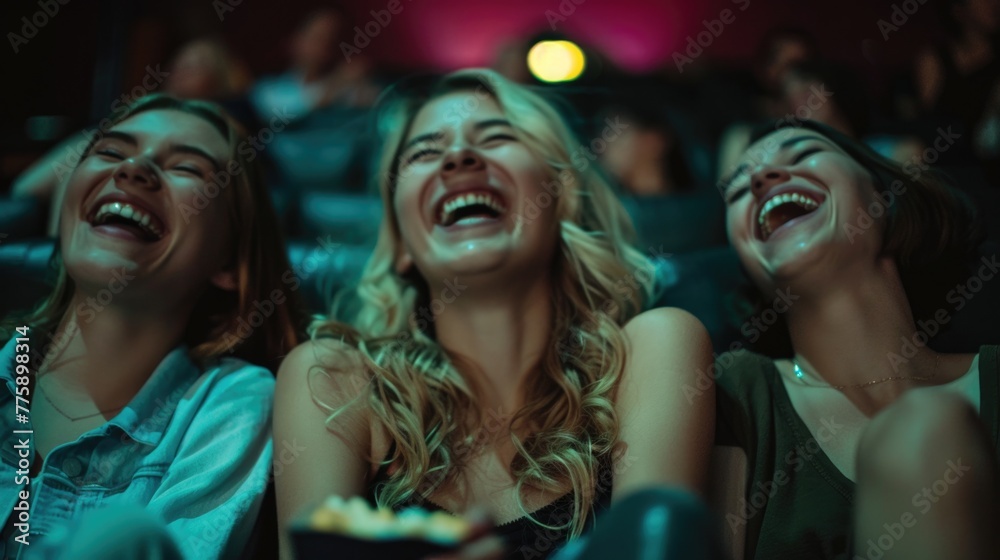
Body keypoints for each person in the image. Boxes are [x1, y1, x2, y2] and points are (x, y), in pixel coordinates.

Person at [273, 69, 716, 560]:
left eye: (497, 137)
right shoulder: (332, 380)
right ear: (401, 242)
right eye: (424, 152)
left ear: (560, 198)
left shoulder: (651, 351)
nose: (459, 157)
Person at [0, 94, 302, 559]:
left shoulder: (230, 404)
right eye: (111, 153)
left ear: (230, 261)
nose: (133, 169)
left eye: (186, 168)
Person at [714, 119, 998, 559]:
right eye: (735, 191)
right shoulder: (738, 398)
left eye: (804, 153)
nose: (760, 177)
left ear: (883, 195)